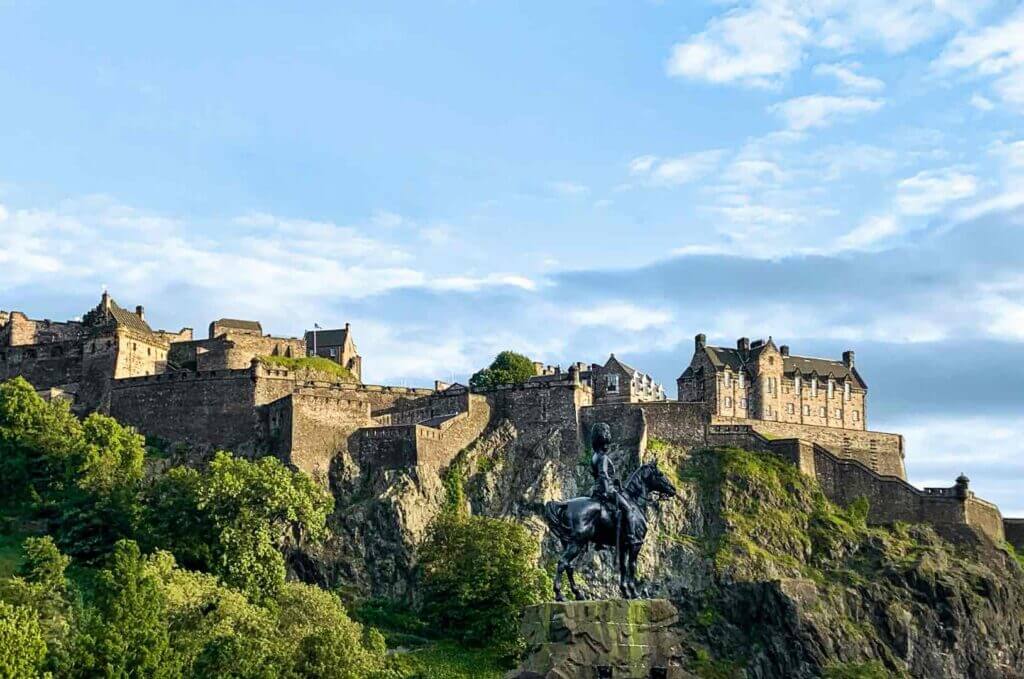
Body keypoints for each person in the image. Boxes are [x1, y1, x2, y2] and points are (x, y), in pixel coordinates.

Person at [589, 422, 630, 548]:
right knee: (628, 509)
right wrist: (608, 489)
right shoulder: (603, 457)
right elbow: (603, 474)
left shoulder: (594, 456)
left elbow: (597, 474)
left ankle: (600, 540)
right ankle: (630, 536)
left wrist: (615, 481)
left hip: (595, 489)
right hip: (606, 489)